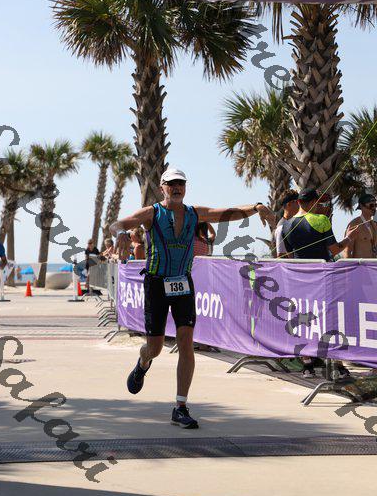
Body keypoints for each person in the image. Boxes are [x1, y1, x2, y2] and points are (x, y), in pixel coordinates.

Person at [111, 168, 275, 429]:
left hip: (183, 283)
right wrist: (120, 233)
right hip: (156, 283)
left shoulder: (194, 213)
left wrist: (256, 208)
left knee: (186, 341)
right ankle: (143, 362)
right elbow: (117, 224)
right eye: (171, 184)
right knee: (154, 347)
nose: (177, 188)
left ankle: (180, 407)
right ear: (162, 187)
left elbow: (227, 213)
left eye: (181, 184)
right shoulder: (151, 213)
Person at [282, 187, 360, 377]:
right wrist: (349, 239)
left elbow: (290, 255)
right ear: (313, 202)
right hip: (322, 279)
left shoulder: (286, 224)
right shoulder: (321, 220)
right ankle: (337, 366)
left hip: (299, 279)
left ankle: (307, 366)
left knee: (303, 320)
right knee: (330, 320)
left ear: (298, 202)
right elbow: (334, 250)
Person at [343, 193, 377, 259]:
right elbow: (347, 251)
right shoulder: (354, 224)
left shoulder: (374, 225)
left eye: (375, 205)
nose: (374, 208)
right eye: (371, 205)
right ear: (361, 206)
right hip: (359, 264)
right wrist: (348, 265)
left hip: (372, 264)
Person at [275, 190, 299, 258]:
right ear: (289, 204)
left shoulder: (296, 221)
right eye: (297, 201)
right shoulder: (281, 226)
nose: (300, 204)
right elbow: (281, 255)